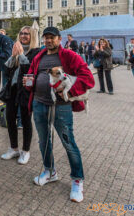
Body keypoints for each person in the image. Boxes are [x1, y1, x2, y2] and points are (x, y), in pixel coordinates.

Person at [24, 26, 94, 203]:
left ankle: (77, 180)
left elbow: (88, 78)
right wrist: (28, 82)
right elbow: (32, 75)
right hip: (39, 104)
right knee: (43, 141)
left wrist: (70, 93)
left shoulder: (70, 56)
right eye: (46, 38)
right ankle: (50, 171)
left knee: (68, 142)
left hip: (61, 107)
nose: (48, 40)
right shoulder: (39, 56)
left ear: (59, 39)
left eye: (52, 38)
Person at [1, 26, 41, 164]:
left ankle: (25, 151)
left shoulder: (36, 51)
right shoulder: (16, 49)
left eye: (27, 34)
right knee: (10, 119)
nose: (23, 36)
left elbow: (29, 69)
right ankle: (13, 148)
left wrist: (22, 54)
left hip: (26, 90)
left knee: (25, 121)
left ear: (32, 36)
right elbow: (6, 69)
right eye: (22, 33)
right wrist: (13, 55)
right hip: (12, 89)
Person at [0, 29, 13, 94]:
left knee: (4, 77)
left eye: (2, 33)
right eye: (0, 33)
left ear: (4, 34)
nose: (0, 34)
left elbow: (8, 53)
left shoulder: (6, 40)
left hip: (5, 63)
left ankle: (4, 92)